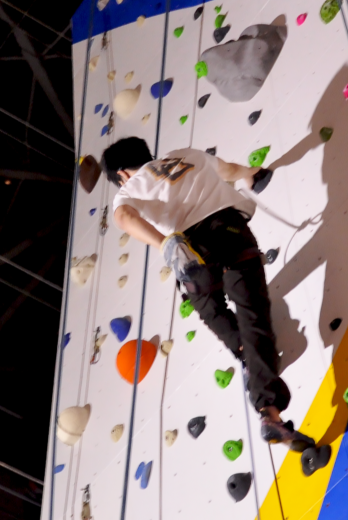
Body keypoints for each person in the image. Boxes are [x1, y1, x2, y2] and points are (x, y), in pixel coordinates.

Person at [102, 137, 330, 473]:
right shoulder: (186, 154)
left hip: (192, 250)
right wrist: (253, 172)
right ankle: (269, 410)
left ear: (121, 173)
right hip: (229, 230)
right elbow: (229, 170)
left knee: (208, 306)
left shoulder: (129, 190)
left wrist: (165, 243)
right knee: (253, 314)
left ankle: (247, 355)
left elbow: (123, 217)